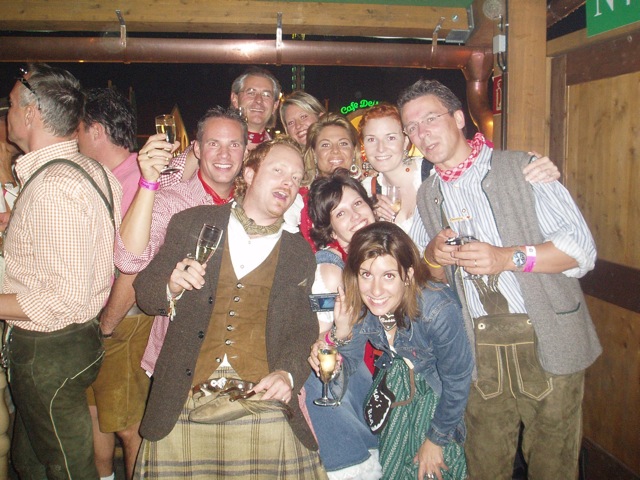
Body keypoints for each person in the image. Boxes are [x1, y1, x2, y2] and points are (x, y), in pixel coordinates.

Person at [401, 79, 601, 479]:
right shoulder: (428, 194)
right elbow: (429, 276)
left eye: (430, 119)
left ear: (459, 118)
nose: (422, 133)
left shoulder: (523, 167)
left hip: (547, 337)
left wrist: (505, 258)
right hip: (479, 351)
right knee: (485, 466)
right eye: (412, 127)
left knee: (554, 465)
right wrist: (433, 255)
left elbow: (581, 251)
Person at [132, 136, 326, 478]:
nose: (288, 183)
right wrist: (171, 285)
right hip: (185, 394)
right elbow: (146, 294)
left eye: (295, 178)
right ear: (249, 174)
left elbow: (302, 328)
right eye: (278, 171)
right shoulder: (193, 223)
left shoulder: (299, 253)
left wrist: (288, 374)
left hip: (260, 396)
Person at [1, 63, 122, 479]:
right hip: (76, 341)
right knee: (30, 460)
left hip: (48, 350)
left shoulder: (53, 186)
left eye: (11, 104)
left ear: (31, 113)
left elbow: (61, 298)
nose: (7, 113)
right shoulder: (94, 171)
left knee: (69, 468)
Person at [313, 222, 473, 480]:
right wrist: (338, 336)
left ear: (407, 275)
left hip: (439, 402)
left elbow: (457, 381)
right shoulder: (362, 306)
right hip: (397, 399)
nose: (375, 290)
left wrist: (436, 440)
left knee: (433, 470)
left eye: (388, 276)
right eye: (366, 275)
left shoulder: (437, 309)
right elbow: (348, 366)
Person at [115, 106, 247, 376]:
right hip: (178, 360)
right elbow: (128, 260)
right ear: (196, 149)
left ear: (245, 152)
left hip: (237, 358)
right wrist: (149, 181)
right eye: (214, 143)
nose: (224, 154)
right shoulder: (172, 201)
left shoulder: (252, 205)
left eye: (234, 145)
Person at [77, 87, 149, 480]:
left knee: (127, 424)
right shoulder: (106, 178)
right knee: (96, 413)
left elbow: (134, 268)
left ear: (96, 131)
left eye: (77, 129)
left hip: (124, 317)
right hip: (100, 316)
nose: (73, 138)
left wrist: (107, 323)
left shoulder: (137, 180)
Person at [358, 102, 562, 233]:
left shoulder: (435, 171)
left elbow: (481, 165)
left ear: (405, 141)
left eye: (390, 138)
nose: (380, 148)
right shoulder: (365, 191)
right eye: (371, 139)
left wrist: (529, 166)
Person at [305, 168, 380, 479]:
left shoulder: (382, 251)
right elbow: (322, 338)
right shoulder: (329, 270)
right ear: (331, 230)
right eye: (340, 213)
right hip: (350, 386)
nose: (355, 215)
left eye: (358, 203)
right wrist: (338, 335)